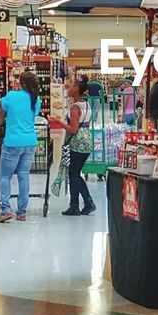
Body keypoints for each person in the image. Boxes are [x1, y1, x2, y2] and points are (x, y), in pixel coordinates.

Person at [0, 71, 41, 222]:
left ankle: (6, 209)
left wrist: (1, 122)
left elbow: (1, 114)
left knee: (5, 176)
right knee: (24, 176)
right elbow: (32, 117)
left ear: (20, 83)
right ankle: (21, 212)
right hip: (30, 142)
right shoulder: (36, 99)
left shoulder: (11, 96)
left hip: (12, 142)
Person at [60, 75, 96, 216]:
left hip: (77, 142)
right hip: (86, 139)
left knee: (74, 174)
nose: (68, 87)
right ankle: (74, 205)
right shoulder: (86, 104)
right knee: (74, 173)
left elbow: (73, 129)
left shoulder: (75, 108)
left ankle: (88, 202)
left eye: (71, 85)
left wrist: (58, 122)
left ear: (76, 89)